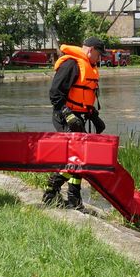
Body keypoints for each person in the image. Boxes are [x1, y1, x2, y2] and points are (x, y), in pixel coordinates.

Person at [42, 37, 105, 209]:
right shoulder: (71, 64)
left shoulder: (88, 66)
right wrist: (68, 115)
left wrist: (94, 116)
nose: (99, 59)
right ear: (91, 50)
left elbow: (82, 98)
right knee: (79, 157)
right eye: (98, 54)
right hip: (64, 116)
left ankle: (72, 199)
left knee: (77, 158)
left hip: (78, 117)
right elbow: (55, 94)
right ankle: (52, 191)